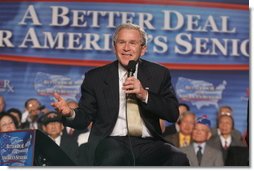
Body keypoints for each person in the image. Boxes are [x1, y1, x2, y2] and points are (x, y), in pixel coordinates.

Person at [51, 22, 189, 166]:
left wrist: (144, 95)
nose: (126, 48)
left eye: (133, 43)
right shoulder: (96, 77)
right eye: (121, 42)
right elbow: (85, 117)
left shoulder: (159, 74)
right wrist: (69, 113)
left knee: (178, 159)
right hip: (110, 141)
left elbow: (172, 113)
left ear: (143, 49)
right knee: (114, 155)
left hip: (148, 143)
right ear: (114, 47)